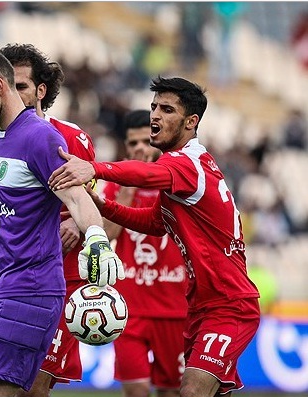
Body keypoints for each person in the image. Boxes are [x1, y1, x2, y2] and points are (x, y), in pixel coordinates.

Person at [48, 76, 260, 397]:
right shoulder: (182, 169)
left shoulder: (187, 164)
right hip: (200, 305)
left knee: (189, 391)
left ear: (191, 122)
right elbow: (153, 222)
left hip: (228, 304)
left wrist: (94, 168)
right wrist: (102, 204)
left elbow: (145, 173)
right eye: (154, 107)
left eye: (167, 109)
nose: (155, 116)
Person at [0, 46, 123, 397]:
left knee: (4, 391)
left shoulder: (40, 137)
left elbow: (80, 197)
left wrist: (96, 238)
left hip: (32, 288)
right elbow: (13, 214)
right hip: (3, 286)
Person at [98, 110, 187, 397]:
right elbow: (107, 235)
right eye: (132, 143)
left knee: (171, 392)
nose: (139, 148)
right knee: (136, 390)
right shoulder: (115, 185)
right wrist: (127, 191)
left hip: (173, 307)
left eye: (144, 141)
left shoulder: (178, 182)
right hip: (128, 309)